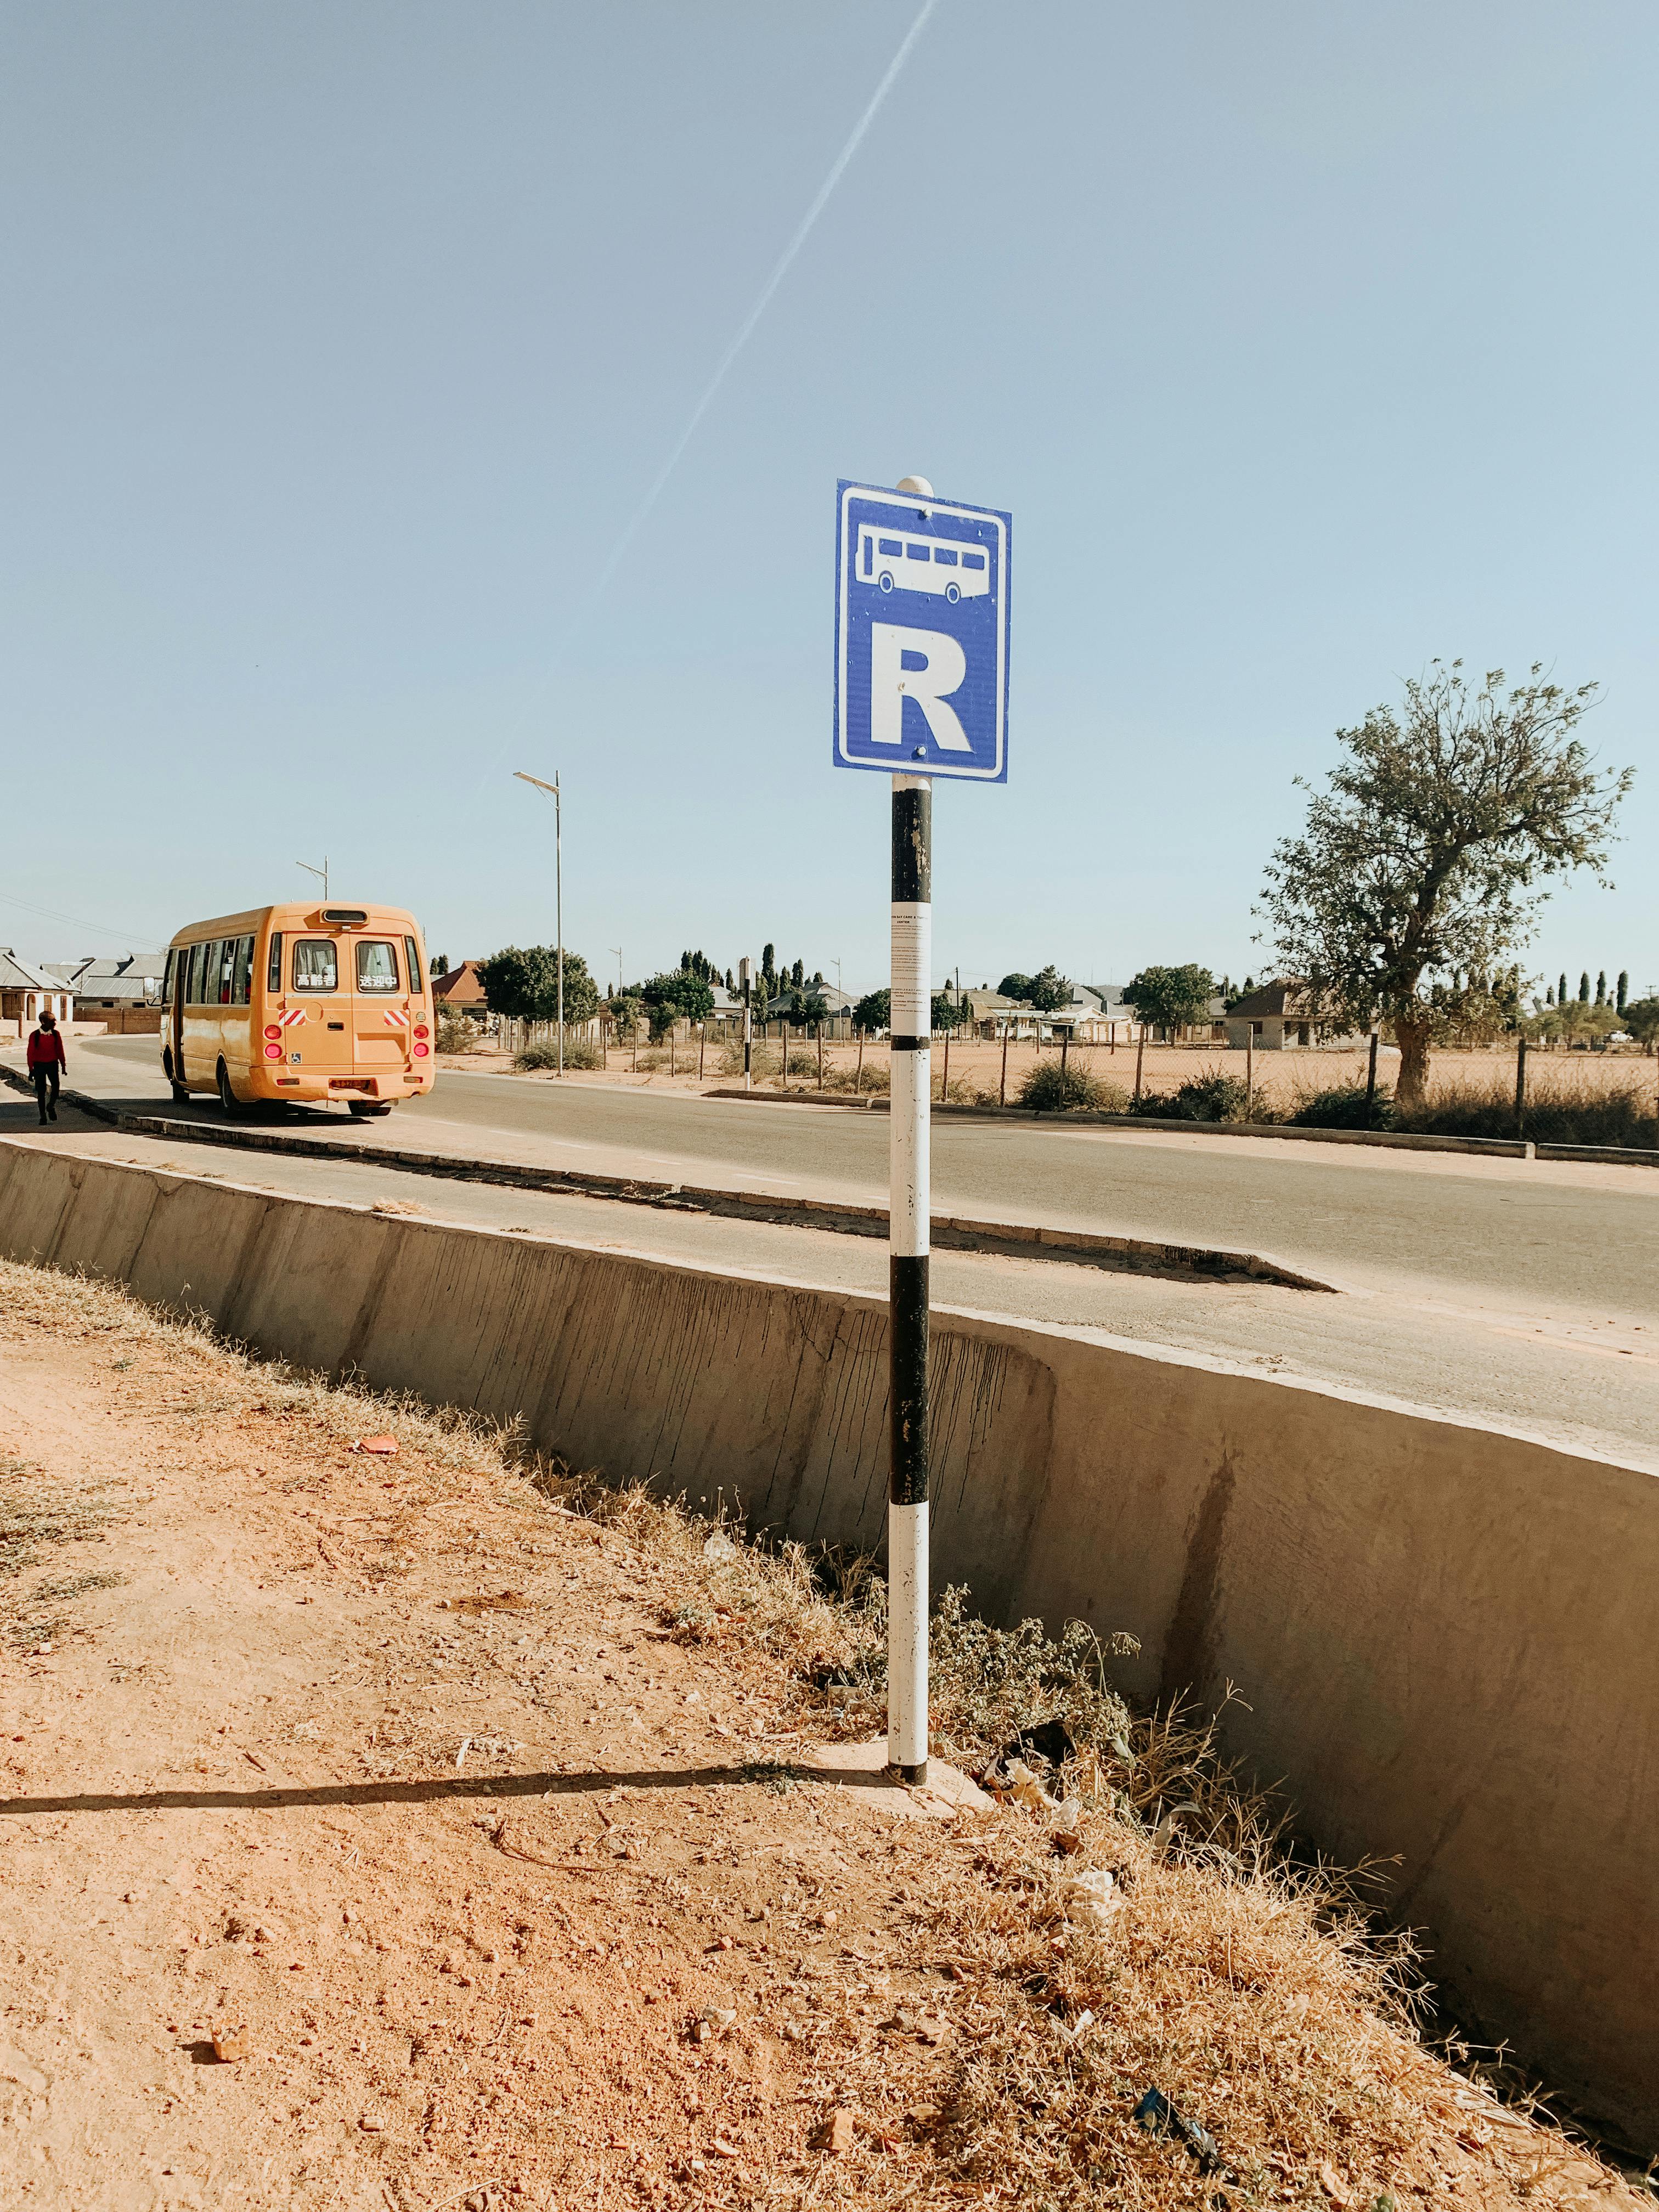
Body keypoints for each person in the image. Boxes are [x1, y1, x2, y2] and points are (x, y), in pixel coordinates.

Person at [27, 1008, 65, 1124]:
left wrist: (63, 1065)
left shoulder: (56, 1034)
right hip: (39, 1066)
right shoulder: (35, 1035)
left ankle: (51, 1106)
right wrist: (31, 1069)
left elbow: (60, 1050)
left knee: (56, 1087)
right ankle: (43, 1116)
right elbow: (30, 1053)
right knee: (41, 1092)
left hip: (52, 1064)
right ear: (43, 1022)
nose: (54, 1023)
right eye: (52, 1021)